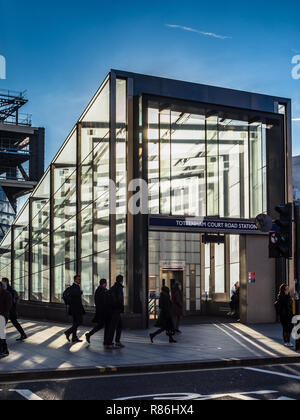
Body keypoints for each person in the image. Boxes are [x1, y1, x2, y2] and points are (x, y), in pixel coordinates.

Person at [85, 279, 112, 346]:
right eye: (106, 283)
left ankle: (105, 340)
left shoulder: (99, 290)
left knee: (103, 325)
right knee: (104, 325)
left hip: (101, 311)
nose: (107, 284)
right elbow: (105, 301)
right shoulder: (102, 290)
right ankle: (90, 335)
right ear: (104, 283)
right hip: (103, 311)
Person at [64, 275, 86, 343]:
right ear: (75, 280)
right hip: (76, 308)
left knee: (75, 323)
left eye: (80, 279)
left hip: (74, 308)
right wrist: (80, 292)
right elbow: (75, 294)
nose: (80, 281)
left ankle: (74, 337)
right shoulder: (74, 287)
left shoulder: (75, 287)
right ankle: (68, 332)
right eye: (78, 279)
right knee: (79, 321)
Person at [106, 275, 125, 350]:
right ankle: (109, 343)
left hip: (114, 309)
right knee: (113, 327)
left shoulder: (114, 287)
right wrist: (120, 306)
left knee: (119, 326)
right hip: (116, 309)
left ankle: (117, 341)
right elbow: (119, 299)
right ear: (121, 280)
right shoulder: (118, 288)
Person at [0, 281, 12, 357]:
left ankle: (3, 349)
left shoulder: (7, 294)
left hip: (2, 316)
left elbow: (8, 306)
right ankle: (4, 349)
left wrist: (3, 315)